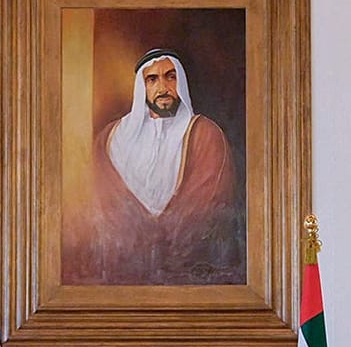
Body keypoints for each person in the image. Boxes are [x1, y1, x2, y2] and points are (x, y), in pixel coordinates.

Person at [63, 48, 244, 286]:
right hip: (119, 275)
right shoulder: (111, 139)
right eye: (152, 79)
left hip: (187, 277)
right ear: (142, 87)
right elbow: (97, 206)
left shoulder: (205, 134)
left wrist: (162, 248)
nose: (163, 87)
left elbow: (208, 206)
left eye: (171, 76)